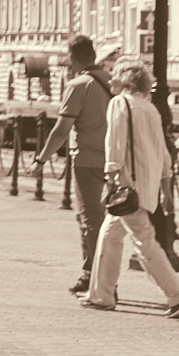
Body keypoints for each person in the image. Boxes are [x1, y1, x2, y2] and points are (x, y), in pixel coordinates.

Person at [85, 59, 179, 318]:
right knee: (109, 236)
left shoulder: (120, 103)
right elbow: (163, 152)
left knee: (144, 242)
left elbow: (115, 144)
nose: (111, 79)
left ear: (126, 81)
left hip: (127, 187)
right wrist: (166, 189)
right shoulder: (150, 109)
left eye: (115, 74)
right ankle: (101, 295)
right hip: (145, 189)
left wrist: (110, 179)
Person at [39, 35, 111, 294]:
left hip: (87, 160)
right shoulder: (112, 81)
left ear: (73, 57)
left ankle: (97, 278)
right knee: (103, 221)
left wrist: (41, 159)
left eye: (68, 56)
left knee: (91, 219)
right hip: (113, 160)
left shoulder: (78, 85)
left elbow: (61, 130)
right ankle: (97, 275)